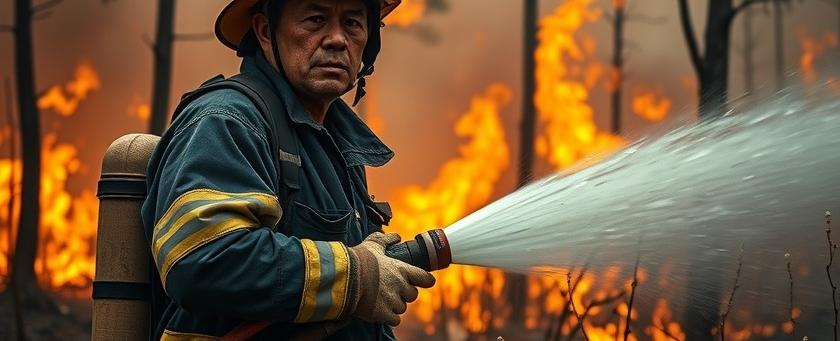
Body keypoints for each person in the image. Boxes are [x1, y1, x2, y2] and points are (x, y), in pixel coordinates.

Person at [140, 0, 436, 339]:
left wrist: (360, 283)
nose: (338, 39)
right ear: (265, 32)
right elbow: (202, 259)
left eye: (353, 24)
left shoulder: (334, 145)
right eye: (315, 20)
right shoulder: (227, 121)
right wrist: (354, 277)